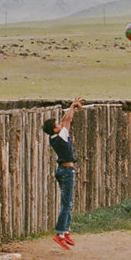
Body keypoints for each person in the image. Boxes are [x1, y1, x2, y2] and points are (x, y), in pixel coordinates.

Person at [43, 96, 84, 250]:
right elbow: (68, 120)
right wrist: (72, 107)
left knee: (68, 203)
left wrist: (72, 106)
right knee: (66, 204)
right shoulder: (61, 135)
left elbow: (64, 121)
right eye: (57, 124)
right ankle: (60, 234)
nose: (60, 124)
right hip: (66, 171)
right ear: (54, 129)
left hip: (62, 171)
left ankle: (66, 231)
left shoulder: (54, 136)